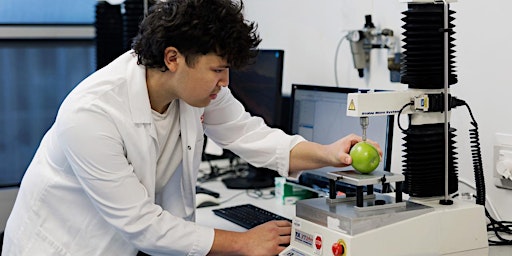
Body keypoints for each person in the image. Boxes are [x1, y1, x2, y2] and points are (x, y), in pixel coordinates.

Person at [2, 0, 382, 255]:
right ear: (173, 59)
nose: (226, 82)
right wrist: (242, 243)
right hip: (62, 246)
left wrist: (329, 154)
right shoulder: (91, 115)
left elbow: (248, 134)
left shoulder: (196, 92)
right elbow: (140, 223)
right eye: (218, 70)